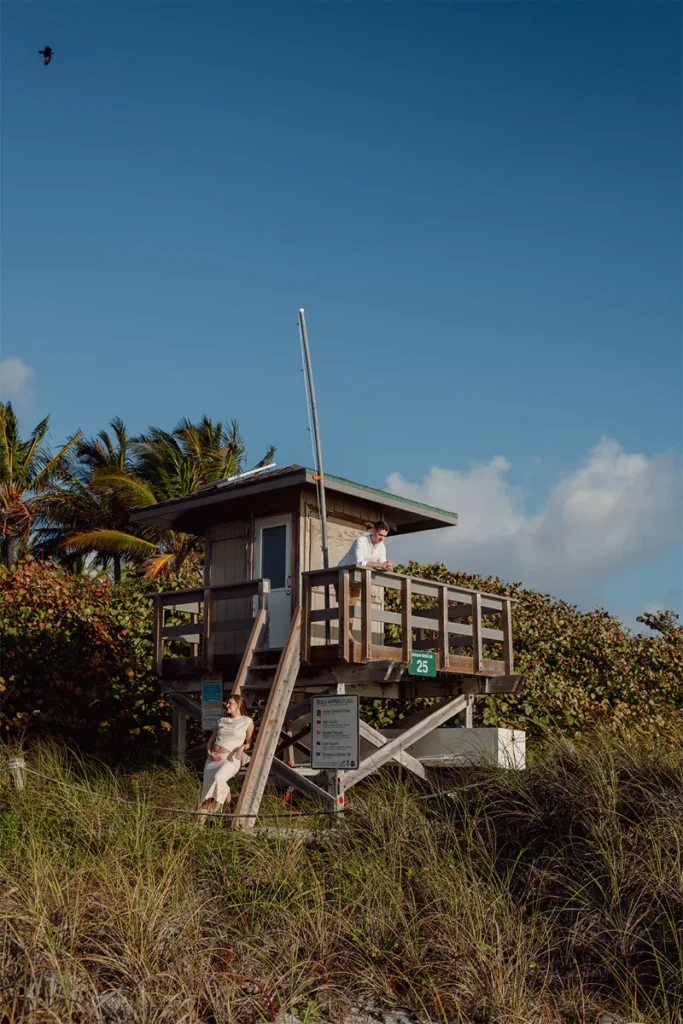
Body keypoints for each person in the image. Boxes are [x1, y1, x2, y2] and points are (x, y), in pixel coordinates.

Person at [197, 695, 254, 824]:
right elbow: (211, 741)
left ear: (238, 706)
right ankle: (199, 826)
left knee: (219, 778)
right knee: (206, 792)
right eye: (227, 703)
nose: (227, 705)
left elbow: (250, 743)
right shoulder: (222, 721)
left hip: (230, 759)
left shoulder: (247, 721)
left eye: (230, 703)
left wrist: (242, 747)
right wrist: (209, 753)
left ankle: (227, 799)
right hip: (212, 760)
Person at [337, 520, 394, 643]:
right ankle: (347, 637)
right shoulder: (361, 541)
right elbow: (360, 562)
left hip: (357, 579)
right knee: (345, 606)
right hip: (344, 573)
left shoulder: (381, 546)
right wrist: (380, 565)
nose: (382, 539)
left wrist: (387, 566)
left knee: (351, 608)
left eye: (384, 536)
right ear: (373, 531)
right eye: (380, 535)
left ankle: (349, 637)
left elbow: (381, 564)